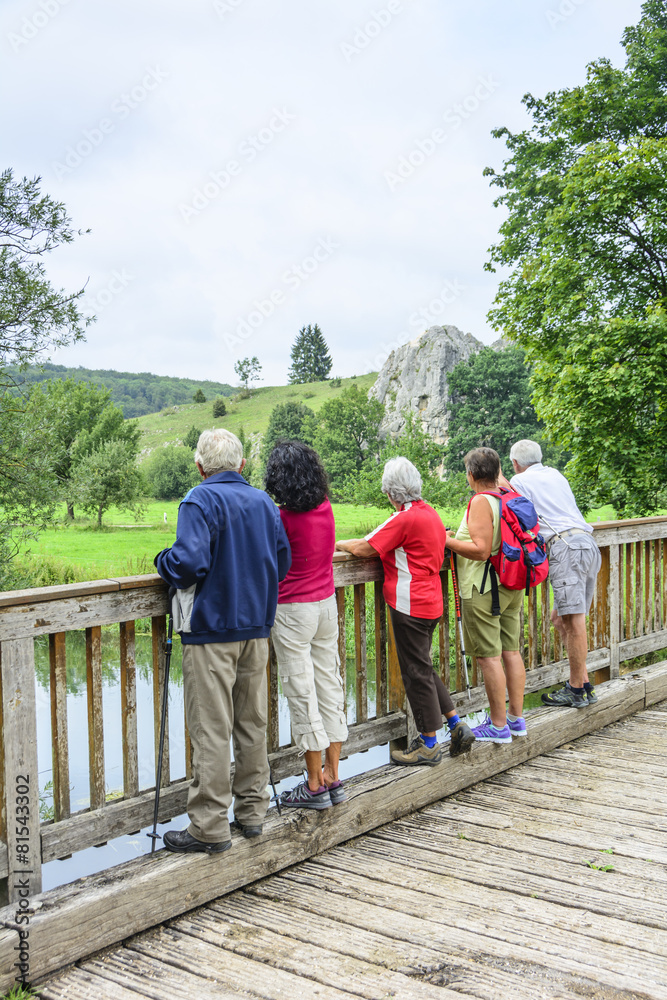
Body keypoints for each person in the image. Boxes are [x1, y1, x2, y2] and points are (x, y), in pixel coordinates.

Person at [155, 429, 291, 853]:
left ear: (200, 465)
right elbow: (282, 560)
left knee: (211, 728)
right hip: (256, 629)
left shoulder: (199, 499)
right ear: (242, 465)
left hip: (210, 631)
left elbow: (189, 562)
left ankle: (209, 828)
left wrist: (163, 561)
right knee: (251, 724)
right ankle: (252, 815)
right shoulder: (264, 502)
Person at [336, 456, 475, 766]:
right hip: (431, 602)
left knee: (416, 672)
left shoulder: (404, 518)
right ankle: (456, 725)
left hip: (409, 605)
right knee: (423, 665)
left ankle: (428, 744)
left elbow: (364, 548)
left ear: (391, 492)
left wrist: (340, 543)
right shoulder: (432, 515)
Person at [265, 441, 348, 810]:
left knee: (301, 692)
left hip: (292, 609)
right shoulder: (326, 508)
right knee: (329, 685)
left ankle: (313, 785)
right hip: (325, 605)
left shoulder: (280, 518)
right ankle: (333, 775)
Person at [500, 439, 601, 709]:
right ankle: (585, 684)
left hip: (566, 549)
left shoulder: (519, 481)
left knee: (573, 620)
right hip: (587, 545)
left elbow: (508, 497)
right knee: (559, 619)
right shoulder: (555, 474)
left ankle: (576, 690)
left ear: (515, 464)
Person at [445, 447, 527, 744]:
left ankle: (497, 725)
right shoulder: (507, 492)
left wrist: (448, 540)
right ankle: (516, 720)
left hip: (483, 587)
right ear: (497, 472)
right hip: (510, 582)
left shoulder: (481, 500)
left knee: (490, 658)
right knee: (511, 651)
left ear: (471, 475)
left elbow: (480, 550)